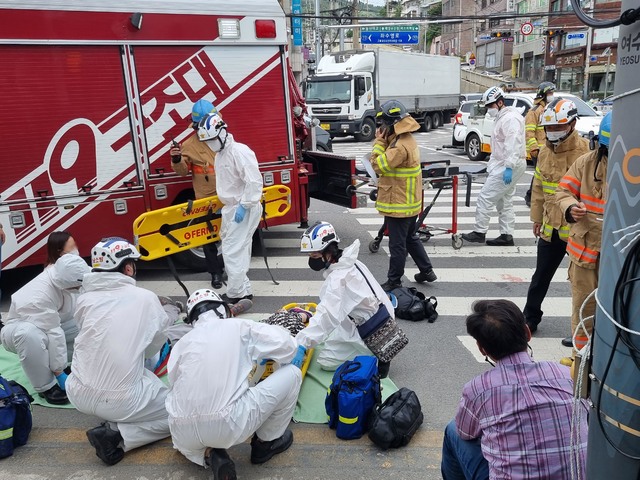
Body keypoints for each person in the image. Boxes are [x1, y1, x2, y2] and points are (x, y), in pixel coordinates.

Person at [441, 299, 588, 480]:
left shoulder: (478, 389)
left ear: (482, 349)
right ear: (527, 333)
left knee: (453, 429)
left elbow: (465, 432)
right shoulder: (566, 374)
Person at [166, 288, 303, 480]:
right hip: (228, 423)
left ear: (193, 319)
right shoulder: (239, 326)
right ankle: (265, 444)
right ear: (223, 310)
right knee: (293, 374)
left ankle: (210, 454)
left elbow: (175, 384)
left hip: (181, 432)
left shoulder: (182, 344)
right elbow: (287, 346)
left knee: (192, 441)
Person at [66, 237, 172, 465]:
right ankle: (119, 435)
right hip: (121, 400)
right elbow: (156, 343)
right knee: (179, 413)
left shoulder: (84, 299)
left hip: (77, 392)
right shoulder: (144, 298)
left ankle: (114, 419)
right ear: (127, 267)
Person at [523, 99, 589, 336]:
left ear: (572, 123)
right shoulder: (543, 153)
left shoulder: (585, 151)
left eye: (557, 127)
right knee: (540, 277)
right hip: (551, 228)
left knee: (582, 284)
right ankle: (529, 319)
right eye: (548, 128)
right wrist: (537, 218)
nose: (552, 132)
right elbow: (539, 188)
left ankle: (582, 330)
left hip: (578, 230)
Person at [296, 222, 395, 377]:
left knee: (326, 361)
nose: (312, 260)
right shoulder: (352, 262)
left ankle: (374, 357)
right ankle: (376, 351)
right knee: (332, 330)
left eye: (314, 255)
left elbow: (327, 317)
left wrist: (301, 344)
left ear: (328, 252)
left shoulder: (338, 278)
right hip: (383, 316)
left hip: (372, 328)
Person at [555, 112, 611, 363]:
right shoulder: (586, 163)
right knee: (584, 309)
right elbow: (563, 191)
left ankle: (610, 362)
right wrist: (569, 207)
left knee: (618, 311)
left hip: (620, 257)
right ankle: (581, 359)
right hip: (585, 255)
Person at [1, 254, 90, 405]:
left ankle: (74, 367)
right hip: (17, 330)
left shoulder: (67, 273)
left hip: (50, 326)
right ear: (66, 283)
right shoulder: (39, 296)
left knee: (86, 322)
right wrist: (59, 371)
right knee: (29, 335)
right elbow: (54, 334)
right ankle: (46, 386)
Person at [369, 100, 437, 291]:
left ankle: (394, 281)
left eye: (383, 124)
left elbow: (377, 165)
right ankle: (427, 270)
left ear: (391, 124)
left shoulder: (398, 146)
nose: (381, 128)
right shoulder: (406, 139)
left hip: (399, 204)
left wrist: (379, 142)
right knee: (410, 237)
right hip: (409, 202)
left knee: (397, 245)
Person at [197, 113, 263, 304]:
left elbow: (253, 181)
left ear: (222, 132)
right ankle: (244, 290)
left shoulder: (239, 152)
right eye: (207, 141)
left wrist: (244, 205)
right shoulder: (221, 155)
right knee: (237, 249)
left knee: (232, 251)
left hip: (243, 207)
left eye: (212, 139)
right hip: (232, 207)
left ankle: (235, 295)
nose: (210, 144)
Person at [169, 99, 225, 289]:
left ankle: (233, 271)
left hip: (229, 198)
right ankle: (215, 274)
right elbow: (183, 171)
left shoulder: (224, 138)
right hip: (207, 200)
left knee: (232, 238)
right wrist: (176, 158)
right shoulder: (190, 145)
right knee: (210, 240)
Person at [462, 86, 527, 247]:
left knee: (485, 197)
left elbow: (513, 143)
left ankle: (479, 231)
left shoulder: (510, 119)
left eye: (490, 106)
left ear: (499, 102)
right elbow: (500, 146)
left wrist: (509, 167)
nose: (488, 109)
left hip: (509, 164)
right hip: (505, 163)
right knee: (504, 200)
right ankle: (506, 235)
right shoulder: (502, 117)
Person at [524, 82, 556, 207]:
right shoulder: (534, 111)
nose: (552, 95)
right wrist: (534, 148)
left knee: (543, 173)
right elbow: (529, 132)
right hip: (538, 149)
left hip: (547, 148)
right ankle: (530, 196)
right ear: (543, 95)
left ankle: (533, 196)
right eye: (550, 93)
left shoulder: (548, 109)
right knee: (540, 174)